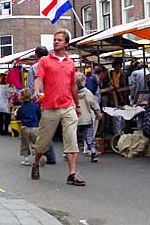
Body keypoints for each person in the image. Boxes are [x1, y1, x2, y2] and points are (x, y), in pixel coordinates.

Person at [31, 29, 85, 186]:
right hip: (50, 106)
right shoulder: (45, 61)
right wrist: (36, 90)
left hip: (68, 106)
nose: (56, 42)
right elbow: (39, 78)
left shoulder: (70, 63)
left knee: (71, 139)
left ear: (66, 43)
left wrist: (77, 105)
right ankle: (36, 163)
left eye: (59, 40)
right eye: (55, 40)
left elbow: (73, 85)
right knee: (43, 142)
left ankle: (72, 174)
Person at [27, 46, 57, 164]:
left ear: (36, 56)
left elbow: (31, 88)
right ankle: (49, 155)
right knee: (48, 128)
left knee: (43, 129)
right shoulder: (53, 66)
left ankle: (49, 155)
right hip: (52, 100)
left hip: (39, 102)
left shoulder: (33, 69)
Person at [76, 72, 102, 163]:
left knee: (72, 136)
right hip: (86, 118)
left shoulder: (72, 92)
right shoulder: (87, 92)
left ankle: (68, 153)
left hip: (74, 118)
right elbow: (94, 104)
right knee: (89, 137)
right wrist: (98, 114)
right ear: (83, 81)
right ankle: (93, 152)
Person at [16, 89, 42, 166]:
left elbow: (18, 117)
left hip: (25, 128)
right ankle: (38, 159)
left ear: (21, 97)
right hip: (35, 127)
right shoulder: (36, 106)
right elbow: (39, 115)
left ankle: (26, 159)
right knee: (36, 143)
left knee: (25, 144)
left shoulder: (21, 108)